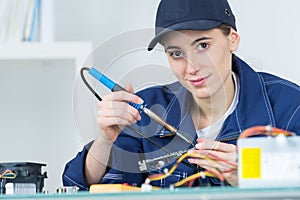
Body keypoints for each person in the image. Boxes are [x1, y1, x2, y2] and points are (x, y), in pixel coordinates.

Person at [63, 0, 300, 190]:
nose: (191, 67)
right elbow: (82, 187)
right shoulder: (146, 110)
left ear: (233, 40)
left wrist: (254, 174)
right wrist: (105, 140)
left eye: (203, 46)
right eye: (176, 53)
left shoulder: (289, 106)